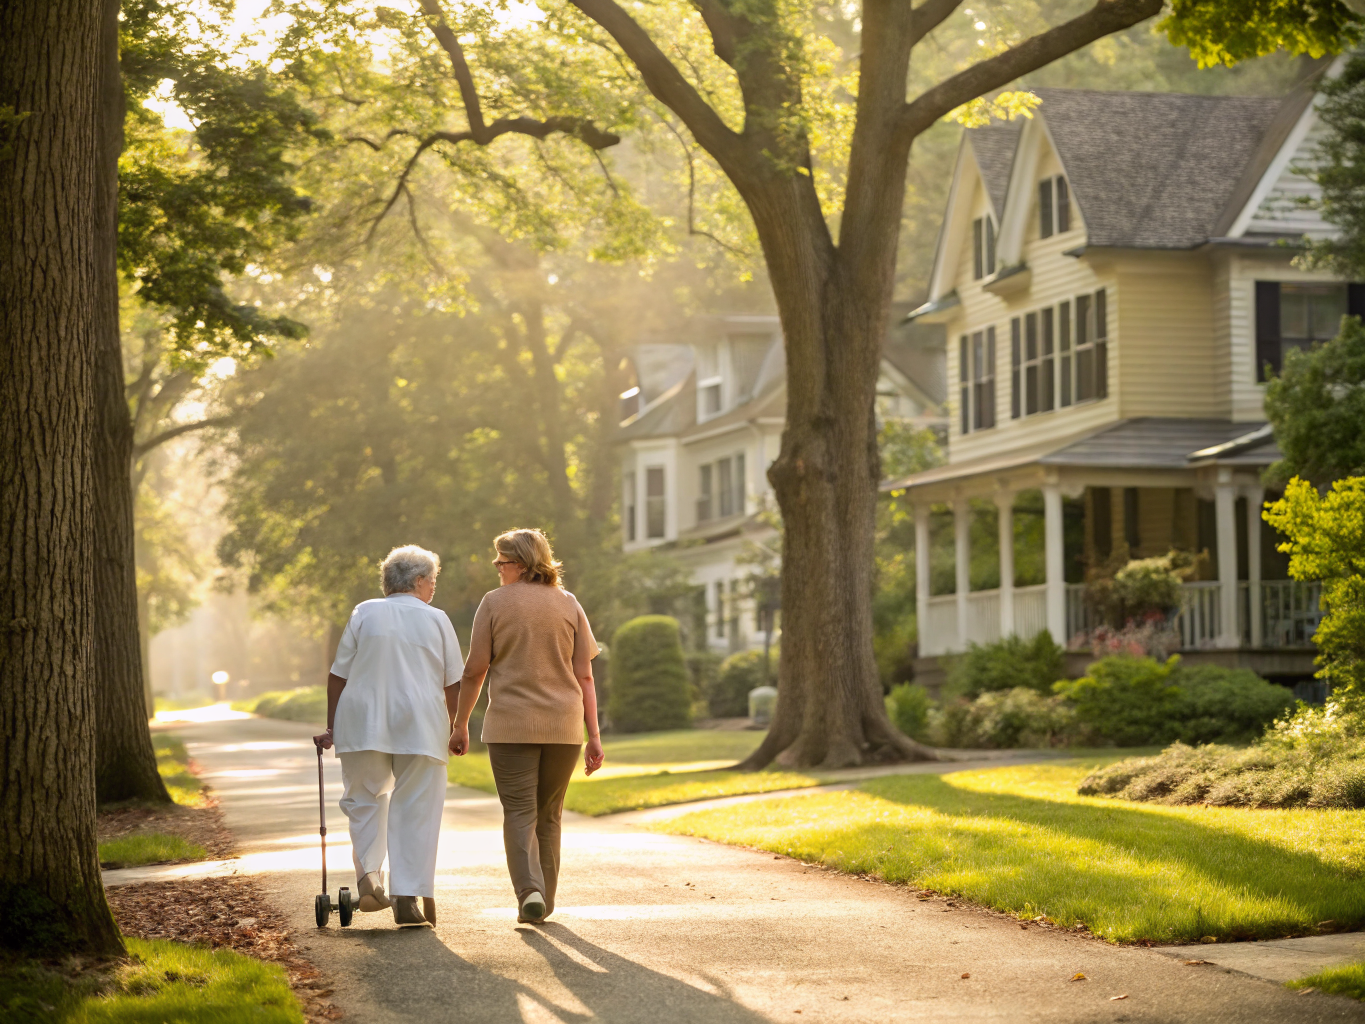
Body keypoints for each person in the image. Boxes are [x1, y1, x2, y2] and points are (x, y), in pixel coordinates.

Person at [450, 528, 604, 924]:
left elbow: (474, 669)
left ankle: (529, 892)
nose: (497, 568)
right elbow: (585, 677)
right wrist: (594, 736)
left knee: (519, 812)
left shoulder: (494, 603)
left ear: (519, 563)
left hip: (510, 726)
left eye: (501, 561)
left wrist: (460, 723)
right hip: (565, 727)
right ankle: (544, 900)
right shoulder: (569, 604)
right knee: (549, 815)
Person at [313, 544, 462, 928]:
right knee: (416, 806)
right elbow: (452, 682)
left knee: (363, 798)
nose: (434, 588)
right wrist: (457, 724)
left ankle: (368, 877)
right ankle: (405, 898)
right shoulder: (437, 619)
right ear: (417, 581)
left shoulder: (365, 612)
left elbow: (338, 676)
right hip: (421, 723)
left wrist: (333, 727)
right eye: (432, 581)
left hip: (362, 720)